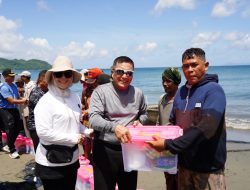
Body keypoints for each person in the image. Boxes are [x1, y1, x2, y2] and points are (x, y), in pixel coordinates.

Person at [147, 48, 227, 190]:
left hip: (208, 168)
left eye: (194, 64)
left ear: (206, 65)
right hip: (183, 165)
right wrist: (148, 135)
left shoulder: (214, 90)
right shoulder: (181, 92)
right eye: (186, 66)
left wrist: (168, 145)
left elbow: (207, 127)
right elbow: (172, 124)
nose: (190, 69)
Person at [89, 56, 148, 190]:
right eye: (120, 72)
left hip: (131, 149)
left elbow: (144, 114)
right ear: (112, 72)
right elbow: (93, 119)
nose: (125, 76)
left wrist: (140, 121)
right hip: (105, 149)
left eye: (129, 73)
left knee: (129, 186)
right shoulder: (100, 92)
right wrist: (114, 127)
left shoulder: (138, 93)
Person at [34, 56, 87, 190]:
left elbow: (75, 123)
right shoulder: (45, 101)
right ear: (52, 76)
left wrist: (87, 131)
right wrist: (73, 138)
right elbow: (43, 132)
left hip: (72, 158)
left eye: (67, 73)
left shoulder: (75, 97)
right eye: (59, 74)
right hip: (51, 162)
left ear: (72, 76)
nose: (63, 77)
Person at [156, 67, 181, 190]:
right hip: (163, 146)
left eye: (168, 81)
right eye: (163, 80)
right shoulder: (162, 99)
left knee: (179, 178)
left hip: (176, 146)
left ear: (176, 82)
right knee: (168, 178)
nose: (165, 84)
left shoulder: (182, 99)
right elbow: (158, 121)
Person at [0, 69, 27, 158]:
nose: (12, 77)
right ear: (5, 77)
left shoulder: (14, 85)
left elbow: (18, 97)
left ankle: (8, 144)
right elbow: (11, 101)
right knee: (10, 129)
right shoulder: (4, 87)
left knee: (18, 128)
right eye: (10, 76)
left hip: (14, 109)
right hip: (5, 110)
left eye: (13, 76)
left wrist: (24, 98)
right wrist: (23, 101)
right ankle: (12, 150)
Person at [81, 68, 103, 159]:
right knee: (86, 141)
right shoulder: (86, 90)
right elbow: (83, 103)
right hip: (87, 121)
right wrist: (81, 111)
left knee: (97, 143)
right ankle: (87, 159)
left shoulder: (104, 91)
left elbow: (103, 108)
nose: (90, 83)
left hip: (98, 122)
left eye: (93, 81)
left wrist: (89, 111)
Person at [27, 70, 48, 152]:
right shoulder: (36, 93)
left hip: (44, 125)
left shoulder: (46, 91)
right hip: (35, 126)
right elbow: (45, 110)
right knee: (39, 150)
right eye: (48, 80)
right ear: (41, 80)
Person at [19, 70, 36, 137]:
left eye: (22, 76)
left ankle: (31, 139)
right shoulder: (25, 85)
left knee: (28, 124)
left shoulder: (32, 85)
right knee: (26, 124)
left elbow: (32, 98)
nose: (20, 77)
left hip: (28, 107)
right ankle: (28, 138)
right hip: (25, 107)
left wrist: (20, 99)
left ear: (25, 77)